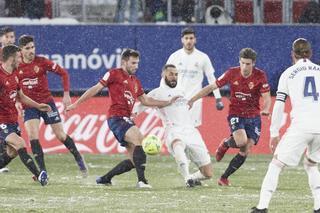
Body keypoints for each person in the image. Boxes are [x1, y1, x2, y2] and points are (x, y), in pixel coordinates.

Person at [66, 49, 179, 188]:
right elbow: (96, 88)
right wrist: (76, 103)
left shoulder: (135, 81)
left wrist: (167, 103)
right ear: (124, 62)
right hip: (116, 117)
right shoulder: (114, 74)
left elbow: (146, 100)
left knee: (134, 160)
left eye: (137, 63)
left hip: (126, 119)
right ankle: (142, 181)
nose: (136, 66)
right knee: (140, 139)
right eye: (133, 63)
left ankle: (105, 179)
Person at [251, 38, 320, 213]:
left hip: (301, 126)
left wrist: (274, 132)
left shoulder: (288, 73)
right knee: (311, 164)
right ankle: (318, 206)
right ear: (310, 53)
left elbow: (280, 104)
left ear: (292, 54)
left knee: (276, 165)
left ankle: (262, 206)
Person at [189, 48, 271, 186]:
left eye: (248, 64)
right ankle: (226, 143)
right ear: (239, 61)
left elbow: (267, 97)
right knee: (241, 142)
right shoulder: (231, 73)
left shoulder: (260, 75)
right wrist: (192, 99)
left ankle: (224, 178)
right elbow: (211, 87)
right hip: (236, 113)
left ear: (253, 64)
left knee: (246, 149)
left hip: (253, 116)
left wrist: (267, 109)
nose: (245, 67)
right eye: (243, 63)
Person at [17, 35, 88, 177]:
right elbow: (13, 87)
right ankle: (43, 171)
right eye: (28, 48)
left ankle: (79, 158)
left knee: (60, 135)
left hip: (47, 103)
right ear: (21, 50)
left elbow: (64, 73)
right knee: (32, 136)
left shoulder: (42, 62)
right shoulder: (17, 66)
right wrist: (18, 102)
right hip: (30, 105)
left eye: (33, 47)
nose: (32, 51)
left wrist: (66, 94)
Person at [134, 64, 212, 187]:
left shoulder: (182, 90)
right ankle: (187, 178)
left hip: (191, 131)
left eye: (176, 74)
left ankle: (192, 177)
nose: (174, 77)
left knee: (208, 173)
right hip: (173, 129)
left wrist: (192, 100)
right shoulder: (157, 93)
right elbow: (139, 108)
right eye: (170, 74)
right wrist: (131, 117)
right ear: (163, 75)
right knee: (178, 144)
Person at [0, 44, 50, 186]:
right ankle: (39, 175)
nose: (21, 60)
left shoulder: (15, 74)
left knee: (12, 152)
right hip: (1, 120)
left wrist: (38, 105)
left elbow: (21, 96)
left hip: (12, 120)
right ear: (11, 58)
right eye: (18, 57)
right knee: (20, 144)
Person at [163, 27, 224, 128]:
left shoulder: (203, 57)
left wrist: (218, 98)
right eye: (186, 38)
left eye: (191, 38)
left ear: (195, 40)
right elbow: (165, 78)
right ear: (182, 40)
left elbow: (211, 78)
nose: (189, 41)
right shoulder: (174, 57)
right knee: (177, 128)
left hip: (195, 100)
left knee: (191, 130)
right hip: (177, 99)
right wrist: (163, 95)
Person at [0, 26, 17, 173]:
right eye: (7, 37)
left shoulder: (15, 57)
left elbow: (14, 82)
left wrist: (17, 101)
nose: (10, 39)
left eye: (12, 37)